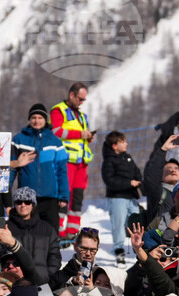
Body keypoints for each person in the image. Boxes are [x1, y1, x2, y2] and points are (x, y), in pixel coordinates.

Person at [11, 103, 69, 232]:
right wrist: (7, 194)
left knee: (51, 233)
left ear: (45, 119)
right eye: (33, 118)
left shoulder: (55, 141)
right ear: (29, 119)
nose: (36, 121)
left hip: (50, 197)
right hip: (26, 199)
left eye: (40, 117)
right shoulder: (19, 139)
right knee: (27, 233)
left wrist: (64, 195)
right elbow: (12, 169)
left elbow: (62, 170)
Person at [50, 82, 95, 239]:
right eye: (80, 99)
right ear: (72, 95)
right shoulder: (58, 110)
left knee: (77, 197)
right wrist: (80, 134)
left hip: (81, 163)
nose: (82, 102)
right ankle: (59, 230)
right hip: (65, 160)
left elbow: (81, 138)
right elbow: (56, 131)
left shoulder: (82, 115)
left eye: (84, 100)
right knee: (64, 195)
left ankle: (72, 231)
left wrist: (88, 137)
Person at [100, 131, 142, 266]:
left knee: (137, 223)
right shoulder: (108, 161)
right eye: (123, 142)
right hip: (117, 198)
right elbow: (109, 181)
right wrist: (129, 183)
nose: (126, 144)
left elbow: (137, 172)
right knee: (118, 225)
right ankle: (119, 251)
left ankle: (139, 250)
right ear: (114, 146)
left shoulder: (128, 158)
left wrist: (139, 181)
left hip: (131, 197)